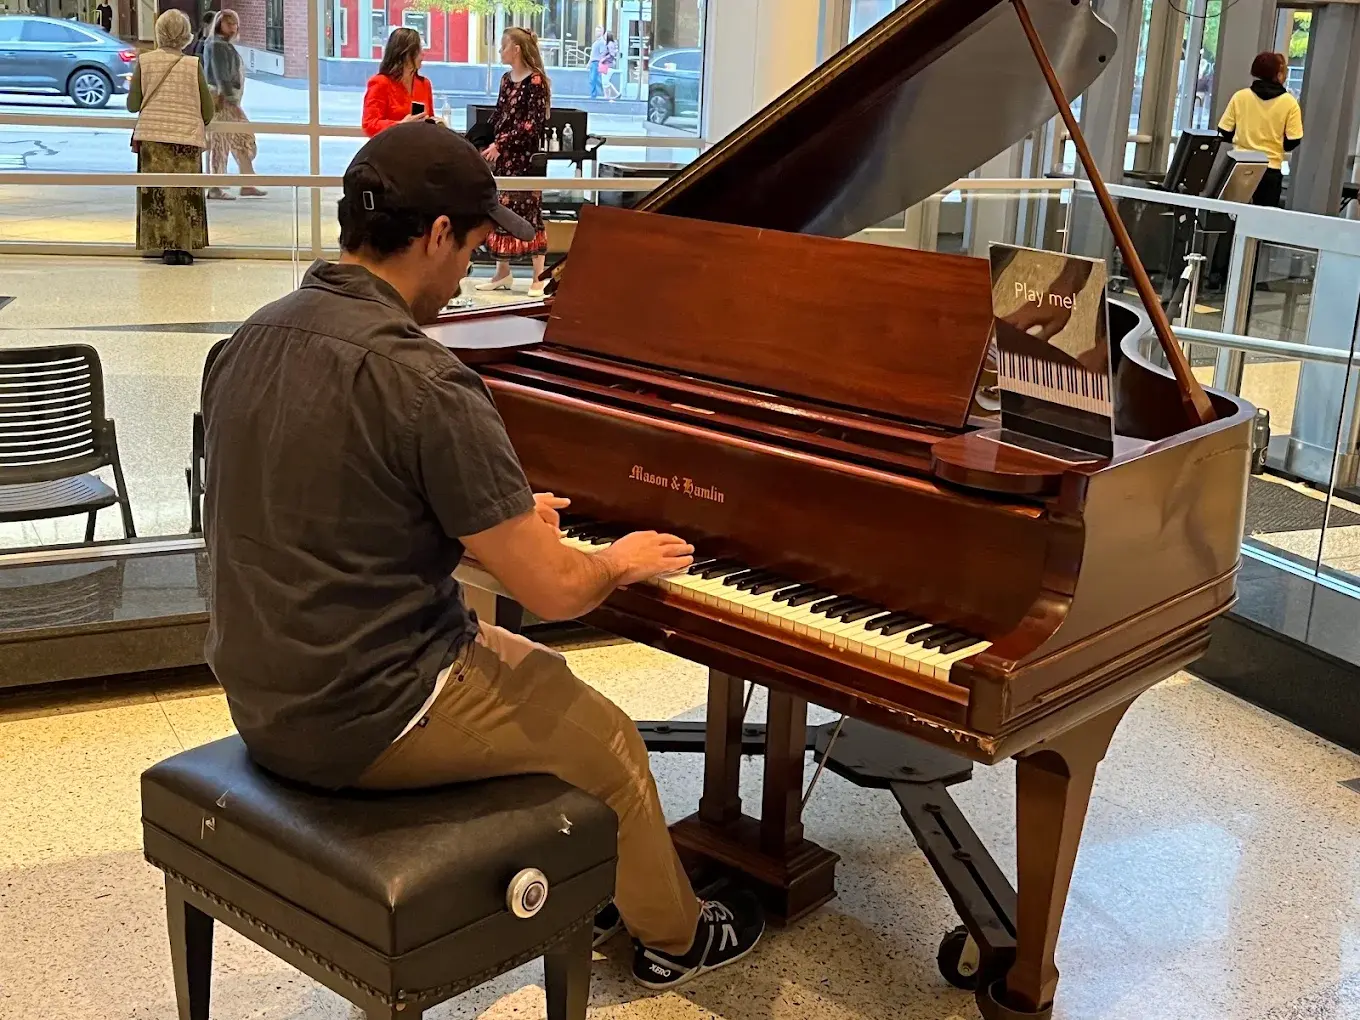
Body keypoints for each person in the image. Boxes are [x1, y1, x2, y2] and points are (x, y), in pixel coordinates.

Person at [201, 121, 766, 991]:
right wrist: (616, 560)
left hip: (263, 693)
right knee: (612, 743)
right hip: (370, 715)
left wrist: (491, 518)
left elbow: (330, 508)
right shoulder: (427, 381)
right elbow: (559, 590)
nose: (468, 269)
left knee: (542, 673)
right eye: (470, 245)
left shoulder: (250, 339)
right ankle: (678, 940)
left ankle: (602, 872)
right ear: (436, 235)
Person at [128, 9, 213, 265]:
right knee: (185, 194)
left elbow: (133, 105)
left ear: (159, 32)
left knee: (158, 193)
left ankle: (163, 245)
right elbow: (207, 111)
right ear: (186, 35)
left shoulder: (145, 62)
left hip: (152, 137)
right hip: (187, 137)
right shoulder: (193, 65)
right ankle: (184, 247)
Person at [475, 28, 550, 297]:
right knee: (502, 209)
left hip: (524, 159)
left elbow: (532, 125)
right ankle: (502, 272)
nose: (500, 51)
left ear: (516, 49)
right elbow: (500, 114)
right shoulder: (506, 80)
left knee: (530, 211)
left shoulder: (536, 82)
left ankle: (538, 277)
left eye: (503, 46)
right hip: (502, 157)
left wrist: (502, 143)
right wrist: (483, 139)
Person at [1218, 51, 1303, 208]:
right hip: (1270, 170)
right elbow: (1293, 141)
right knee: (1263, 219)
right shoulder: (1290, 103)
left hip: (1239, 165)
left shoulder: (1240, 97)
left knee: (1233, 216)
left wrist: (1243, 138)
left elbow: (1224, 131)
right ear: (1279, 75)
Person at [203, 11, 264, 200]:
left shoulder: (222, 45)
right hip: (222, 101)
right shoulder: (217, 46)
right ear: (219, 24)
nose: (233, 27)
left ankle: (247, 183)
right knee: (222, 142)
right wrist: (229, 97)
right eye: (228, 23)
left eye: (235, 23)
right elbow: (221, 75)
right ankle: (216, 187)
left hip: (227, 99)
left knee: (240, 140)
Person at [361, 27, 434, 137]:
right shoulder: (380, 83)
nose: (423, 53)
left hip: (419, 145)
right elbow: (369, 125)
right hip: (391, 145)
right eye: (418, 49)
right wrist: (401, 125)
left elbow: (429, 119)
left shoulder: (424, 84)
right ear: (404, 53)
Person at [600, 31, 620, 101]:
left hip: (608, 64)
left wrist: (604, 58)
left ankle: (615, 94)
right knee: (605, 81)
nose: (604, 36)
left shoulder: (610, 44)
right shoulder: (608, 44)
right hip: (607, 64)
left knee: (605, 81)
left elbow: (612, 54)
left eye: (605, 35)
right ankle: (607, 96)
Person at [587, 24, 606, 100]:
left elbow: (602, 53)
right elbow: (592, 54)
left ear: (602, 32)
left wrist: (601, 64)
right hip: (593, 62)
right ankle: (605, 91)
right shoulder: (596, 42)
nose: (596, 33)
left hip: (596, 63)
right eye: (596, 31)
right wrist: (589, 63)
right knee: (596, 80)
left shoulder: (601, 42)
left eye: (598, 31)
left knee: (593, 79)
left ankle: (594, 94)